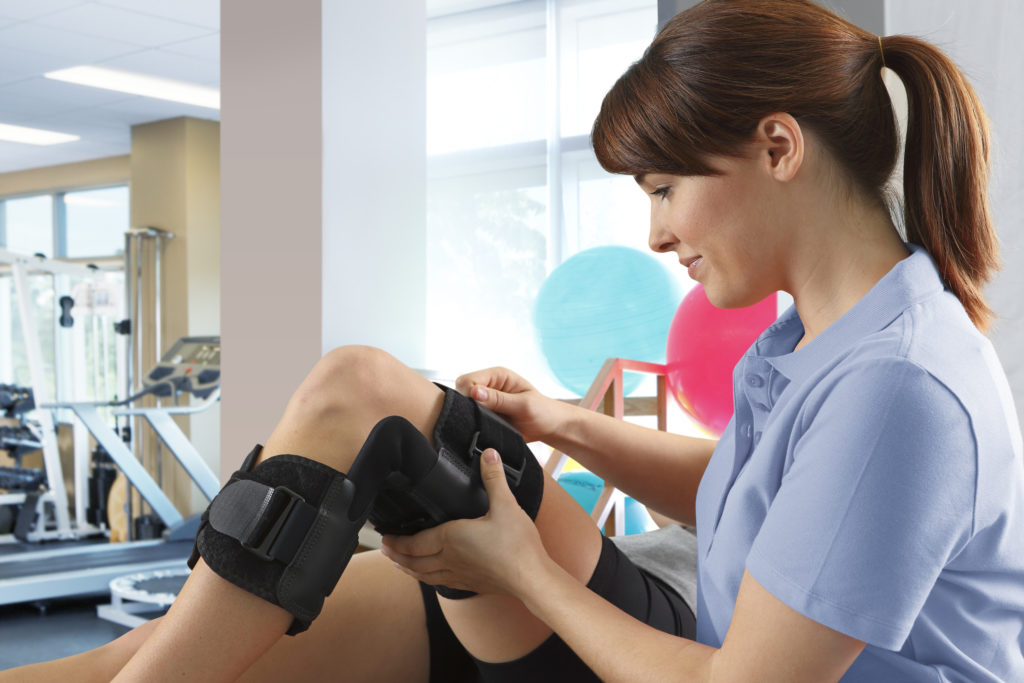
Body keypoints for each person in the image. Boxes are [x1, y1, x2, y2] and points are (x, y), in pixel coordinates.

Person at [4, 0, 1022, 680]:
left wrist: (523, 569)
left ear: (779, 146)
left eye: (665, 188)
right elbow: (754, 490)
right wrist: (560, 423)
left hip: (682, 663)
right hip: (671, 637)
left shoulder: (898, 385)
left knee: (361, 390)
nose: (656, 233)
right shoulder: (822, 333)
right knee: (154, 648)